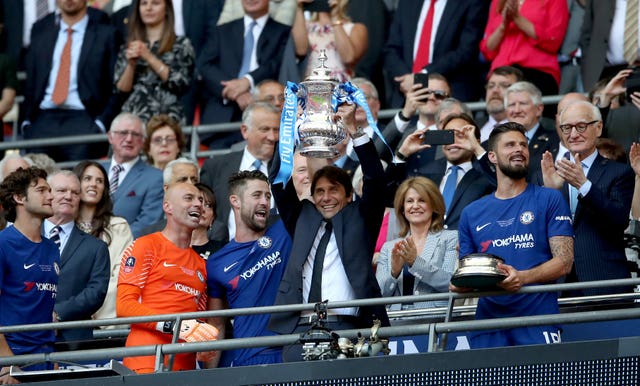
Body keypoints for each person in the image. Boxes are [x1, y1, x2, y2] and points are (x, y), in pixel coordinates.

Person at [268, 102, 389, 362]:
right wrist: (289, 130)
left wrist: (355, 130)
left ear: (348, 195)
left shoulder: (361, 218)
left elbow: (376, 180)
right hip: (301, 327)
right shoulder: (302, 219)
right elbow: (278, 180)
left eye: (334, 189)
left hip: (349, 327)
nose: (326, 197)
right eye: (320, 191)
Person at [451, 122, 574, 348]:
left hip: (538, 321)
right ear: (492, 156)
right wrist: (460, 284)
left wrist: (523, 278)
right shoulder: (471, 213)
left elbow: (564, 262)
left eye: (523, 145)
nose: (519, 149)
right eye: (510, 145)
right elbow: (467, 272)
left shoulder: (550, 198)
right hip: (488, 326)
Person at [116, 182, 218, 373]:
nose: (198, 204)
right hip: (147, 360)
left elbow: (199, 319)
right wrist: (174, 326)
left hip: (185, 368)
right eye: (189, 198)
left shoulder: (201, 264)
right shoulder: (145, 246)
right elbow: (124, 306)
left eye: (201, 201)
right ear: (167, 206)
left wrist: (204, 342)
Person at [541, 101, 634, 296]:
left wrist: (584, 186)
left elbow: (619, 219)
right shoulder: (552, 173)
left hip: (604, 278)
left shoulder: (619, 172)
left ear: (598, 127)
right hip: (559, 283)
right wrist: (550, 192)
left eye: (581, 126)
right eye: (567, 128)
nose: (573, 134)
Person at [206, 171, 292, 367]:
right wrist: (209, 376)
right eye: (257, 195)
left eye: (268, 196)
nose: (265, 202)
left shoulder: (284, 229)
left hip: (289, 350)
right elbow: (216, 324)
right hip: (248, 357)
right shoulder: (216, 262)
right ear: (235, 201)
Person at [21, 0, 119, 161]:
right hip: (43, 120)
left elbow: (116, 85)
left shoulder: (106, 34)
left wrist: (101, 124)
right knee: (37, 183)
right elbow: (31, 81)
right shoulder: (41, 31)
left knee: (78, 183)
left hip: (84, 119)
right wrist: (27, 122)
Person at [198, 0, 290, 148]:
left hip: (267, 118)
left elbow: (276, 64)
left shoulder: (283, 32)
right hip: (222, 118)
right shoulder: (221, 31)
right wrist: (236, 92)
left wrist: (248, 81)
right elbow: (204, 65)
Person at [389, 113, 494, 230]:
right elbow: (388, 196)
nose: (453, 141)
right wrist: (402, 153)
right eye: (448, 135)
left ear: (476, 141)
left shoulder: (485, 176)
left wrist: (477, 149)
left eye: (461, 135)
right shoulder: (426, 175)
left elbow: (502, 186)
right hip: (429, 244)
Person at [0, 167, 58, 379]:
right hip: (11, 359)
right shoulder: (3, 244)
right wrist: (7, 364)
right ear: (19, 198)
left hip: (45, 358)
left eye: (49, 190)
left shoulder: (52, 248)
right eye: (42, 190)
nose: (51, 196)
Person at [44, 171, 109, 347]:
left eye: (74, 192)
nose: (68, 196)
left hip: (74, 342)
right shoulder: (23, 239)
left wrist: (58, 313)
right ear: (47, 194)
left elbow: (96, 292)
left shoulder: (96, 248)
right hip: (24, 338)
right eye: (61, 190)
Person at [200, 102, 280, 242]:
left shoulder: (287, 169)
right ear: (245, 131)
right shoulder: (215, 167)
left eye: (276, 130)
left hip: (272, 253)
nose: (272, 137)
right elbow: (204, 212)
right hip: (223, 251)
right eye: (265, 129)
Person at [383, 0, 489, 106]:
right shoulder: (408, 2)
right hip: (405, 95)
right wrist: (407, 80)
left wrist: (419, 79)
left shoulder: (470, 2)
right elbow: (392, 49)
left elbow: (466, 51)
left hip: (448, 98)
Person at [376, 176, 458, 311]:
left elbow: (451, 282)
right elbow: (378, 295)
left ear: (434, 206)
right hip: (396, 324)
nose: (415, 206)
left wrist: (415, 262)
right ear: (402, 208)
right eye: (409, 201)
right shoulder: (389, 247)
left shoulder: (451, 238)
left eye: (422, 200)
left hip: (435, 322)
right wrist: (394, 273)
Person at [72, 160, 134, 323]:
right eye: (87, 179)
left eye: (99, 181)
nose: (94, 184)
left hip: (105, 317)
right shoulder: (63, 227)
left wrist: (90, 304)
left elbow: (121, 274)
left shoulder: (119, 226)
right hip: (67, 314)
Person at [114, 0, 195, 124]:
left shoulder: (181, 44)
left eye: (155, 3)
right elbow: (121, 91)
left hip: (166, 120)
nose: (148, 8)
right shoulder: (129, 46)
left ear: (167, 9)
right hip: (132, 120)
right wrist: (131, 65)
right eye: (144, 3)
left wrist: (148, 57)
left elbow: (180, 82)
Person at [480, 0, 569, 96]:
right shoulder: (497, 2)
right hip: (500, 73)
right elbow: (487, 50)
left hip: (537, 72)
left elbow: (553, 41)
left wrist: (517, 19)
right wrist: (503, 26)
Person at [104, 113, 164, 238]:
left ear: (143, 141)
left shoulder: (155, 178)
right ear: (110, 136)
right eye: (123, 132)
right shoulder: (94, 169)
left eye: (136, 134)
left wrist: (115, 243)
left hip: (126, 248)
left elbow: (148, 221)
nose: (129, 139)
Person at [292, 0, 368, 82]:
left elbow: (348, 58)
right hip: (311, 86)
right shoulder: (305, 26)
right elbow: (301, 51)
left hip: (340, 87)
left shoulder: (355, 28)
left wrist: (335, 18)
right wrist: (298, 7)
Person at [139, 157, 201, 236]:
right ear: (167, 188)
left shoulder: (209, 227)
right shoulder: (150, 233)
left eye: (194, 180)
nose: (190, 184)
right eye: (182, 180)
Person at [477, 66, 523, 143]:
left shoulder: (528, 127)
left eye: (504, 85)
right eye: (491, 86)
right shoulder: (472, 126)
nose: (495, 90)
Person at [191, 182, 224, 261]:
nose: (203, 209)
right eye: (199, 202)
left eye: (208, 205)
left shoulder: (221, 250)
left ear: (213, 217)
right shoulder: (170, 246)